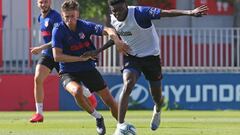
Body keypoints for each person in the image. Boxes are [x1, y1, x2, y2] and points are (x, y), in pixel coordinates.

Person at [107, 0, 208, 134]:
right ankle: (120, 126)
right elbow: (116, 36)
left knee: (157, 97)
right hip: (131, 57)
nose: (117, 13)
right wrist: (98, 51)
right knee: (128, 83)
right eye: (114, 11)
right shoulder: (113, 18)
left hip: (151, 58)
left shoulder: (140, 13)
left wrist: (190, 12)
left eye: (119, 9)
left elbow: (165, 13)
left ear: (125, 5)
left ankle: (158, 110)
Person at [51, 0, 128, 134]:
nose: (70, 20)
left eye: (73, 16)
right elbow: (57, 57)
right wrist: (80, 58)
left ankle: (122, 126)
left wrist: (115, 38)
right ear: (63, 16)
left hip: (88, 68)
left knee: (109, 100)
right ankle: (98, 117)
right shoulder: (58, 30)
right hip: (67, 71)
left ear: (78, 14)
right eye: (67, 17)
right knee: (77, 91)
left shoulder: (84, 25)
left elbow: (108, 29)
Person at [29, 0, 97, 123]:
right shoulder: (40, 18)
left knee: (71, 82)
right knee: (37, 78)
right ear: (37, 4)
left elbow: (58, 37)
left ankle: (87, 93)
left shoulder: (55, 17)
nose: (43, 4)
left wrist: (40, 47)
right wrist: (43, 49)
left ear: (50, 2)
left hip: (61, 54)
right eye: (40, 2)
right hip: (48, 55)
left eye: (45, 2)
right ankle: (39, 113)